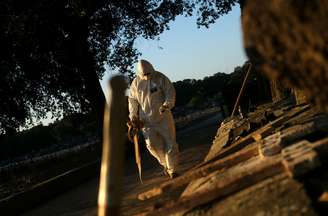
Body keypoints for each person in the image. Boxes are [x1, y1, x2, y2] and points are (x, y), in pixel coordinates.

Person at [128, 59, 179, 179]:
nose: (146, 76)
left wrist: (167, 104)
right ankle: (165, 164)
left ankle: (172, 170)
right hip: (145, 120)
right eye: (144, 75)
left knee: (170, 142)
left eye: (148, 73)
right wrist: (133, 117)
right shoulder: (135, 83)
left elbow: (170, 92)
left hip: (163, 115)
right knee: (152, 145)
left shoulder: (161, 78)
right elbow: (132, 101)